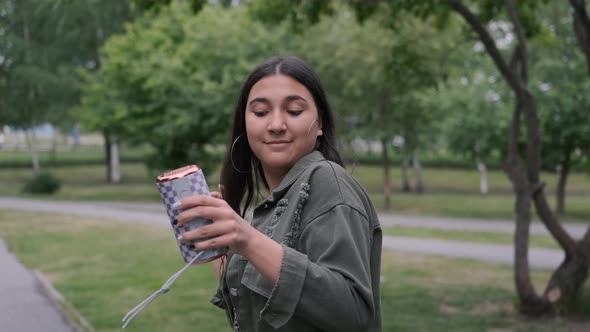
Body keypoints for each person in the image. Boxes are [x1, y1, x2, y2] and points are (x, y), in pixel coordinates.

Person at [175, 55, 382, 331]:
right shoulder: (274, 204)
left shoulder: (328, 182)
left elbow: (352, 313)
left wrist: (246, 239)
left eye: (294, 111)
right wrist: (224, 247)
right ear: (245, 124)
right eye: (260, 113)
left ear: (319, 122)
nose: (275, 125)